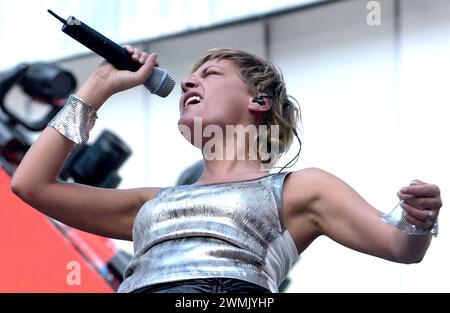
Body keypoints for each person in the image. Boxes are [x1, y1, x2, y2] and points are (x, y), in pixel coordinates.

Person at [11, 46, 442, 293]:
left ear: (259, 101)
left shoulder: (298, 188)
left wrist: (417, 217)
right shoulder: (151, 203)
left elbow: (400, 246)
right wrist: (96, 88)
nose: (188, 83)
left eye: (210, 74)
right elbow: (31, 185)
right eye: (190, 78)